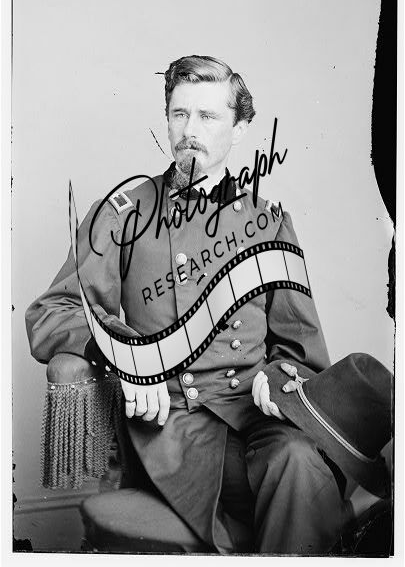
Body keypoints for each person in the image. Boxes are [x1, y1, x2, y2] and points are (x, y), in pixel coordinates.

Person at [26, 55, 364, 554]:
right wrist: (132, 360)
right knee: (296, 486)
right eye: (179, 114)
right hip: (174, 428)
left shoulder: (269, 223)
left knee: (297, 461)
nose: (189, 131)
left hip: (256, 418)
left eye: (208, 116)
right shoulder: (123, 215)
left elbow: (301, 351)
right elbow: (51, 313)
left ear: (240, 128)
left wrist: (278, 378)